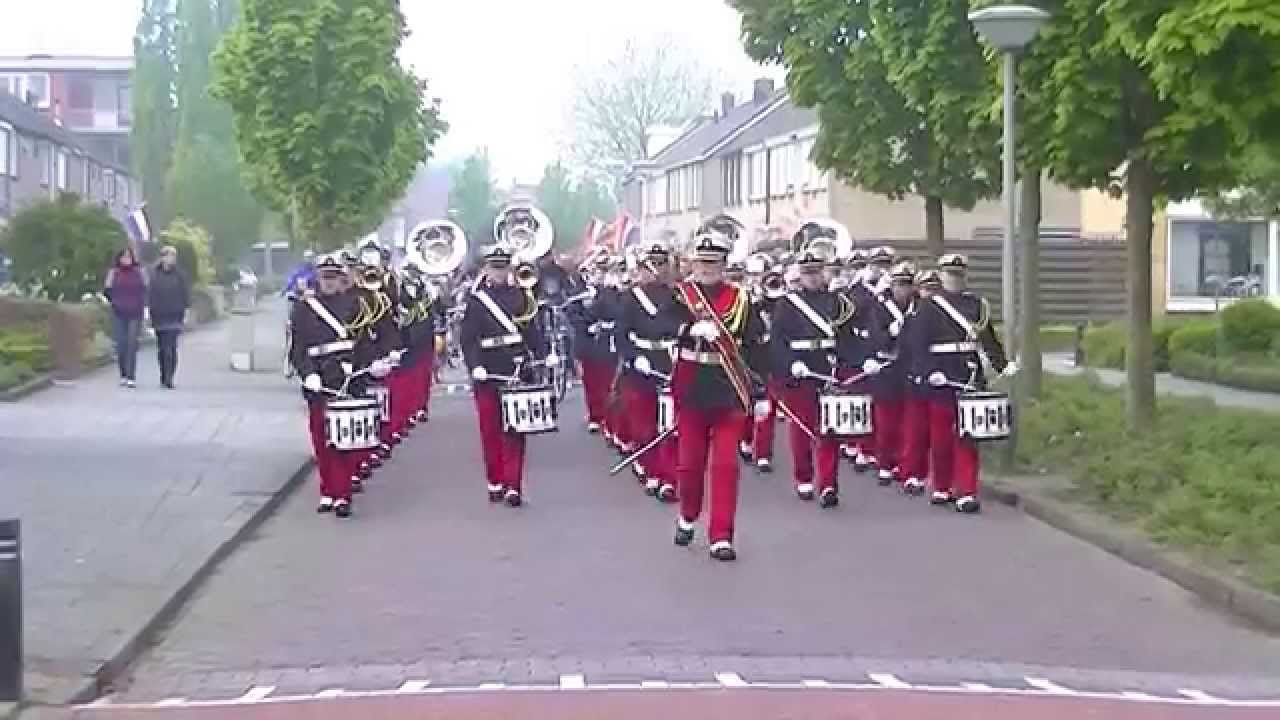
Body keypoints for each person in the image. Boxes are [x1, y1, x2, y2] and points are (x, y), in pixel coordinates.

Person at [670, 224, 769, 561]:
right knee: (689, 465)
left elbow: (756, 346)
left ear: (725, 263)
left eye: (714, 262)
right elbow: (660, 328)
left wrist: (761, 392)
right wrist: (686, 328)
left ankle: (721, 536)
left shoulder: (740, 298)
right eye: (702, 262)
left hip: (729, 388)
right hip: (691, 386)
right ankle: (688, 514)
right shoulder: (680, 295)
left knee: (726, 465)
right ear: (693, 263)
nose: (707, 268)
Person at [291, 254, 397, 518]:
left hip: (349, 377)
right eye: (324, 277)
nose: (328, 282)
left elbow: (366, 342)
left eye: (333, 277)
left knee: (345, 441)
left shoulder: (357, 304)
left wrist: (375, 363)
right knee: (321, 439)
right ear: (318, 278)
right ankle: (328, 491)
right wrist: (307, 374)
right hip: (320, 380)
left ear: (342, 278)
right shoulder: (304, 309)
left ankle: (342, 494)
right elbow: (298, 349)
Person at [911, 254, 1015, 513]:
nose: (954, 279)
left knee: (969, 435)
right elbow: (917, 345)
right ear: (942, 275)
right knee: (941, 436)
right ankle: (942, 486)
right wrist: (927, 371)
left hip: (968, 372)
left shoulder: (976, 305)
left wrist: (1002, 364)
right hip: (941, 374)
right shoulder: (929, 307)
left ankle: (968, 490)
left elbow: (988, 338)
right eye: (950, 274)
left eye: (959, 275)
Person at [768, 246, 859, 507]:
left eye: (817, 272)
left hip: (828, 369)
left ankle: (828, 484)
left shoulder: (839, 303)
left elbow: (847, 339)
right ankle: (804, 477)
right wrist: (789, 364)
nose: (813, 277)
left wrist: (860, 361)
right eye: (807, 273)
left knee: (829, 428)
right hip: (800, 370)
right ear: (800, 274)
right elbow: (778, 341)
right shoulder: (787, 304)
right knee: (801, 428)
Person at [460, 242, 547, 506]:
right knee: (490, 429)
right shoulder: (476, 301)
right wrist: (475, 365)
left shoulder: (522, 297)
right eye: (494, 268)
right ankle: (495, 480)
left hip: (516, 368)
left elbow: (532, 331)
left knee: (515, 430)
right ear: (486, 269)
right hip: (487, 369)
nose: (499, 273)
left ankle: (513, 484)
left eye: (503, 267)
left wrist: (543, 354)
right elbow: (468, 339)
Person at [614, 242, 682, 501]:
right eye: (651, 265)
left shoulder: (678, 296)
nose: (657, 270)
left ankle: (668, 478)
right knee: (644, 424)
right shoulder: (630, 298)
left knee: (671, 424)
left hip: (670, 360)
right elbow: (621, 334)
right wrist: (633, 357)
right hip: (641, 363)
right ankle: (650, 469)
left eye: (661, 264)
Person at [864, 261, 917, 486]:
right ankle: (884, 463)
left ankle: (903, 465)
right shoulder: (879, 306)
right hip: (886, 368)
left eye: (906, 285)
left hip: (910, 368)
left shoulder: (920, 306)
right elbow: (875, 337)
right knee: (886, 421)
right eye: (899, 285)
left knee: (908, 422)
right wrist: (890, 334)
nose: (902, 290)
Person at [899, 269, 942, 495]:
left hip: (940, 378)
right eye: (926, 289)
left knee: (940, 434)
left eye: (934, 290)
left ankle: (934, 476)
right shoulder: (913, 316)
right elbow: (906, 349)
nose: (930, 294)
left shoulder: (944, 315)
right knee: (916, 432)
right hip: (917, 379)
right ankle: (912, 473)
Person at [147, 245, 191, 389]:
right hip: (159, 315)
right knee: (162, 348)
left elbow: (185, 294)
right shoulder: (154, 274)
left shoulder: (180, 275)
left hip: (175, 315)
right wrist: (149, 311)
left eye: (173, 256)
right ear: (162, 258)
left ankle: (169, 377)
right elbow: (150, 294)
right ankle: (163, 374)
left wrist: (186, 311)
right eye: (168, 255)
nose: (170, 259)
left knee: (171, 348)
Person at [104, 247, 147, 388]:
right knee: (121, 344)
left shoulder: (139, 272)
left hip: (135, 312)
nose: (126, 259)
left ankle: (131, 376)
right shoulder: (114, 273)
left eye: (129, 256)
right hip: (119, 313)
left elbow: (145, 289)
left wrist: (144, 306)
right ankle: (123, 373)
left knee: (132, 344)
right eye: (123, 257)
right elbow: (107, 290)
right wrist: (114, 302)